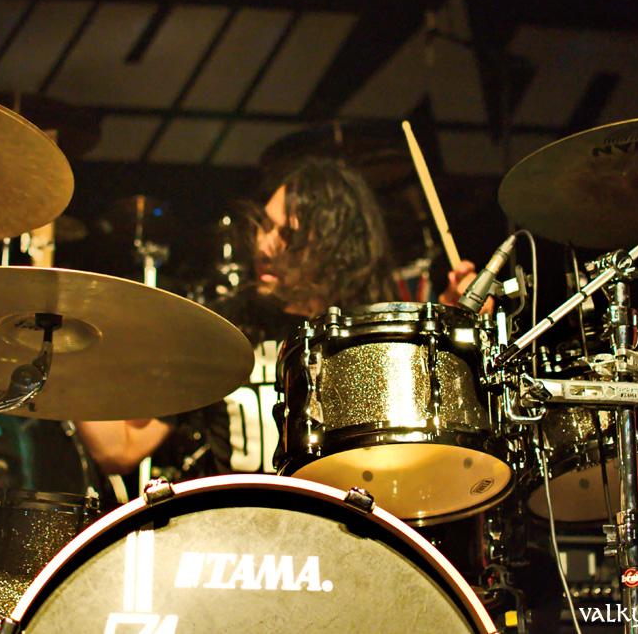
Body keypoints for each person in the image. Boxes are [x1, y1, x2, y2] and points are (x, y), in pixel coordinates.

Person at [76, 158, 483, 477]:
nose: (263, 246)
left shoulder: (371, 336)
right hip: (233, 539)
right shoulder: (219, 329)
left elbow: (424, 457)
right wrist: (65, 350)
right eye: (265, 226)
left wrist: (452, 325)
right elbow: (121, 448)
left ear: (333, 247)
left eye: (287, 235)